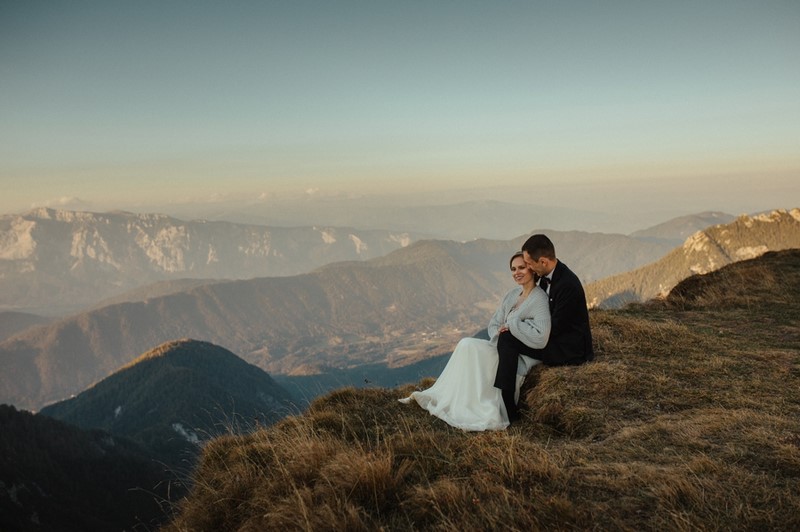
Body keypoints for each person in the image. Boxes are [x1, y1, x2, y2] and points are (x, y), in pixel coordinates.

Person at [399, 252, 551, 431]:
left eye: (522, 267)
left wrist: (513, 325)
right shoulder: (512, 295)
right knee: (465, 344)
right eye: (513, 269)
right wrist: (501, 332)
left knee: (469, 346)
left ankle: (484, 404)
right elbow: (494, 324)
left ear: (531, 269)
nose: (517, 272)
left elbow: (541, 336)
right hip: (499, 345)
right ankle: (454, 397)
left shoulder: (538, 298)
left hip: (518, 353)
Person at [494, 234, 594, 420]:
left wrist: (518, 326)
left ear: (543, 261)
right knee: (507, 336)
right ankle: (504, 395)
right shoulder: (547, 275)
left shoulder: (567, 285)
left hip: (568, 349)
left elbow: (552, 328)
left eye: (529, 264)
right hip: (551, 336)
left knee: (508, 338)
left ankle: (507, 401)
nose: (528, 269)